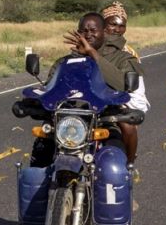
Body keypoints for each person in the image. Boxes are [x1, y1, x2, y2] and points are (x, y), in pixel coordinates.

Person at [29, 12, 146, 166]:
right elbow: (50, 88)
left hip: (105, 117)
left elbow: (121, 84)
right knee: (40, 152)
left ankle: (129, 166)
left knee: (123, 141)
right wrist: (35, 102)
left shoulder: (122, 58)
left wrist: (92, 53)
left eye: (93, 30)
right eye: (84, 31)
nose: (88, 34)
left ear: (104, 31)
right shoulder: (65, 61)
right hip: (68, 120)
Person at [100, 1, 147, 164]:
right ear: (103, 25)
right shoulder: (90, 44)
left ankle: (129, 163)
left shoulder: (129, 53)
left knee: (127, 126)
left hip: (118, 101)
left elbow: (136, 90)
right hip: (90, 100)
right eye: (113, 24)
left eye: (122, 26)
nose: (117, 29)